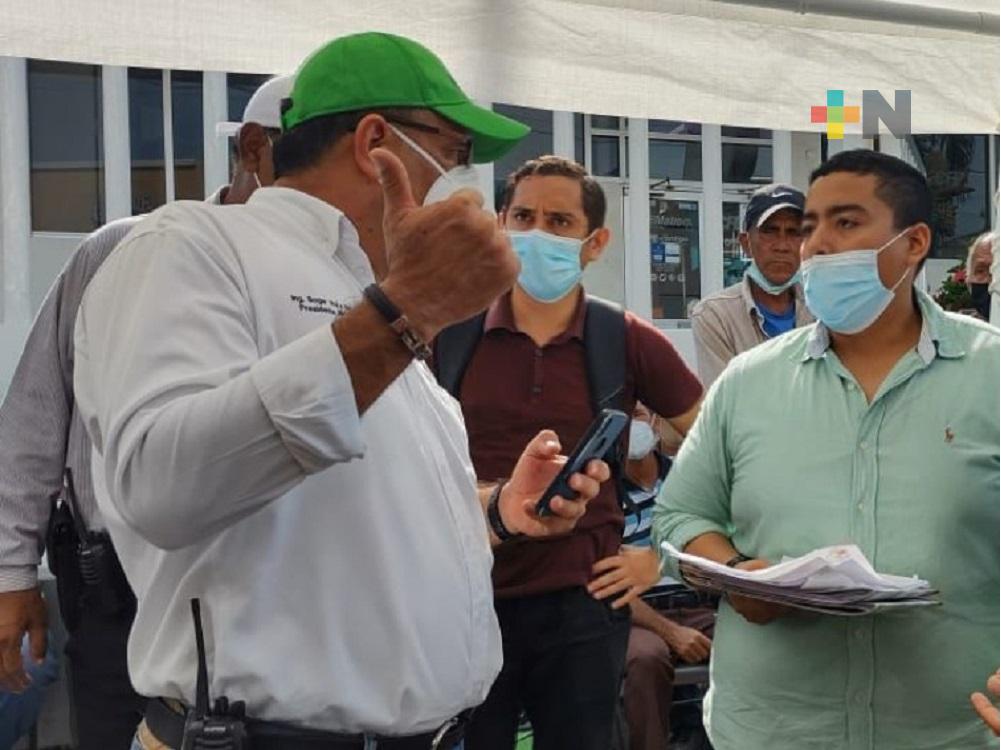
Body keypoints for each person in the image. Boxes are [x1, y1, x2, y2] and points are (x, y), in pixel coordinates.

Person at [73, 33, 610, 750]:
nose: (467, 188)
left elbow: (358, 521)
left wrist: (498, 511)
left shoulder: (373, 298)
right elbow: (161, 484)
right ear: (375, 145)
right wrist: (404, 313)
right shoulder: (191, 245)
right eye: (453, 157)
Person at [655, 149, 999, 750]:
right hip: (774, 729)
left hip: (952, 729)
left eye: (844, 223)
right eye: (811, 225)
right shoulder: (748, 381)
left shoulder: (989, 372)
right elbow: (681, 516)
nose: (814, 245)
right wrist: (742, 577)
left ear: (913, 243)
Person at [0, 74, 291, 750]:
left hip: (253, 595)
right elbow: (34, 423)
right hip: (116, 596)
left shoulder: (322, 281)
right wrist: (12, 574)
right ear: (255, 152)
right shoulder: (122, 252)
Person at [434, 155, 703, 750]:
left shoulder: (625, 338)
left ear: (594, 242)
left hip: (583, 607)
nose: (538, 234)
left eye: (560, 222)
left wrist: (660, 556)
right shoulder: (448, 333)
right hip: (464, 597)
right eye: (524, 216)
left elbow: (716, 450)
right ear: (500, 222)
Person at [607, 404, 713, 750]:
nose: (632, 427)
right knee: (645, 658)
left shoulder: (688, 480)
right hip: (638, 617)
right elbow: (611, 584)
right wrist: (671, 631)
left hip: (700, 602)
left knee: (754, 644)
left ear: (655, 419)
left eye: (637, 415)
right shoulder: (602, 498)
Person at [691, 183, 813, 386]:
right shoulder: (716, 315)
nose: (782, 246)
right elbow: (725, 404)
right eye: (770, 231)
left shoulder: (824, 311)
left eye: (794, 232)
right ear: (746, 243)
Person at [966, 230, 996, 322]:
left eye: (996, 271)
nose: (991, 281)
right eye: (981, 271)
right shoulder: (955, 332)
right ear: (968, 281)